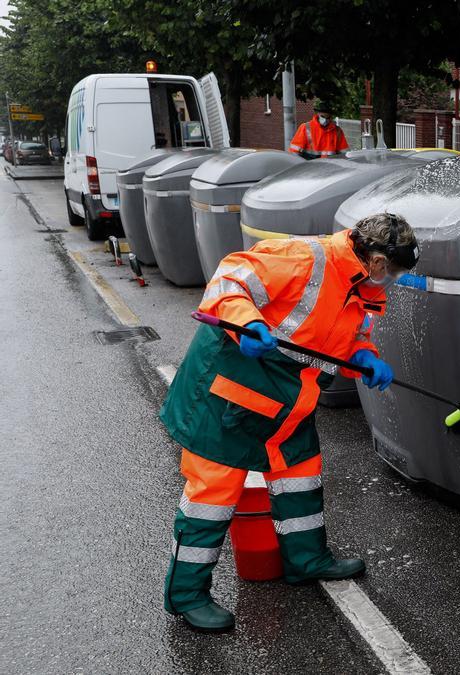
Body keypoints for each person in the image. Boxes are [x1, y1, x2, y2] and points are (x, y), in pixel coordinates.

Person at [160, 213, 419, 632]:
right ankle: (187, 595)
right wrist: (248, 323)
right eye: (391, 272)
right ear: (373, 260)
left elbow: (345, 334)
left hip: (286, 401)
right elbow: (229, 279)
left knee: (300, 473)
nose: (391, 281)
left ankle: (306, 560)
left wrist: (364, 357)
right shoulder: (301, 258)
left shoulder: (362, 285)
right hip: (230, 393)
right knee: (212, 495)